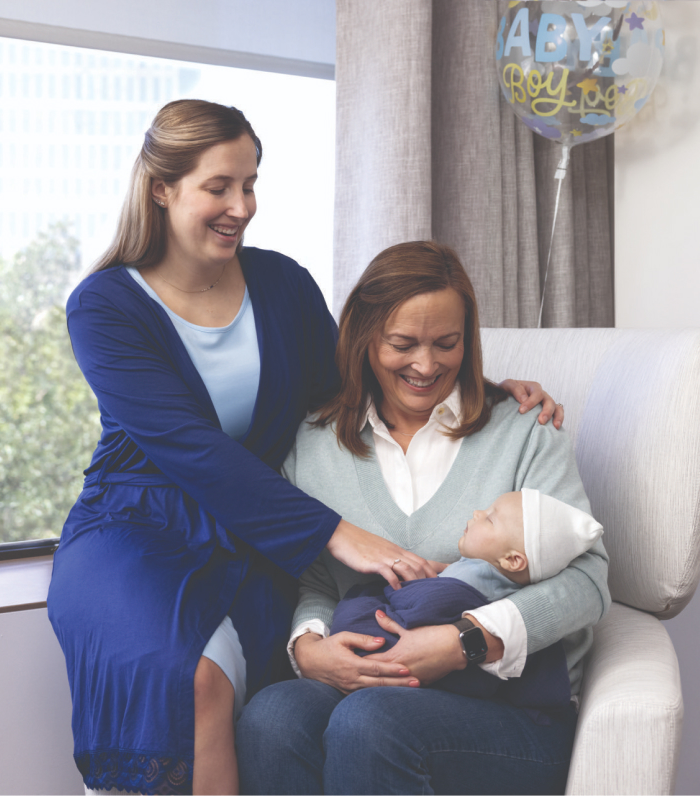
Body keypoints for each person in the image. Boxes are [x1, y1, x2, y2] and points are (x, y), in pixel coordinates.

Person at [47, 103, 561, 796]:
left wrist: (485, 388)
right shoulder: (103, 306)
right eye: (219, 186)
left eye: (250, 184)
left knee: (273, 707)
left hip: (258, 528)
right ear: (161, 188)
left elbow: (351, 384)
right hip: (139, 524)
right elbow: (188, 447)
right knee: (191, 682)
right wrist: (338, 532)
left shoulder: (281, 283)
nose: (241, 206)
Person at [235, 240, 610, 796]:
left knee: (373, 724)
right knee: (273, 718)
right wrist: (309, 647)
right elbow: (317, 578)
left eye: (447, 343)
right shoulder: (313, 445)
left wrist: (466, 641)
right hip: (368, 690)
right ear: (364, 338)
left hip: (513, 717)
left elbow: (587, 581)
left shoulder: (524, 430)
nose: (427, 365)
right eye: (403, 344)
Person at [323, 489, 603, 712]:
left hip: (430, 670)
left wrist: (418, 590)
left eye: (490, 518)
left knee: (356, 622)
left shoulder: (475, 584)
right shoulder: (474, 569)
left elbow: (433, 606)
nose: (477, 512)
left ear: (512, 560)